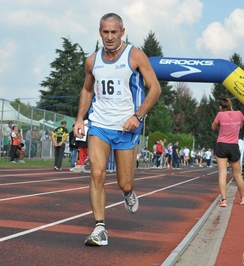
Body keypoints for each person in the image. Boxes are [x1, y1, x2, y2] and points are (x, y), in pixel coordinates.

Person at [74, 13, 161, 246]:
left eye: (114, 32)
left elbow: (155, 89)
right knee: (97, 173)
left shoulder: (134, 55)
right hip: (99, 125)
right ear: (100, 32)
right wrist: (80, 119)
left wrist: (138, 115)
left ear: (122, 32)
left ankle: (127, 193)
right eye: (105, 32)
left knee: (125, 182)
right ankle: (100, 229)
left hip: (126, 128)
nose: (110, 36)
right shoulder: (92, 61)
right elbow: (87, 90)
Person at [212, 95, 244, 207]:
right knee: (237, 174)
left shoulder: (220, 115)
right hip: (233, 145)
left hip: (222, 145)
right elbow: (240, 126)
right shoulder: (239, 114)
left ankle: (223, 200)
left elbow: (213, 127)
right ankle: (243, 198)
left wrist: (221, 123)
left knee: (222, 173)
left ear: (220, 106)